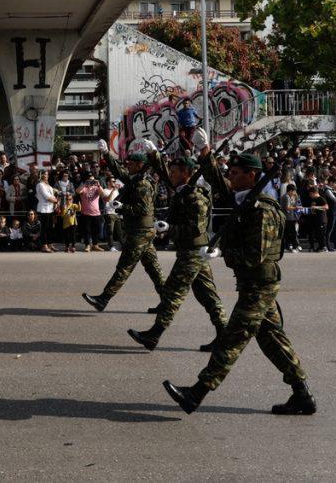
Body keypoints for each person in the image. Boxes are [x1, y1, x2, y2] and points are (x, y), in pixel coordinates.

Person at [163, 148, 315, 416]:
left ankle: (196, 393)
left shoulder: (262, 210)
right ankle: (302, 395)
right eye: (229, 173)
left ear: (252, 175)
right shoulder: (246, 202)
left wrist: (223, 254)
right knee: (273, 342)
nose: (230, 178)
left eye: (235, 173)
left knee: (231, 340)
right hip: (253, 285)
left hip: (259, 287)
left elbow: (253, 256)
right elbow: (221, 187)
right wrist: (207, 157)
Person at [129, 154, 227, 352]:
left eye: (175, 172)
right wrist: (154, 156)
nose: (171, 175)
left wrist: (169, 229)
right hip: (190, 250)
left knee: (172, 294)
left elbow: (196, 229)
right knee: (207, 295)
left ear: (186, 173)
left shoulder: (195, 196)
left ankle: (154, 334)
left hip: (193, 251)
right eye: (171, 171)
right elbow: (164, 175)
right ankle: (225, 335)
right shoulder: (183, 192)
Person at [82, 139, 164, 311]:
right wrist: (106, 154)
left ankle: (103, 299)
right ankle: (168, 302)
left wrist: (122, 207)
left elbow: (143, 208)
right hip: (142, 230)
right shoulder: (135, 179)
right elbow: (118, 170)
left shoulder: (142, 183)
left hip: (141, 230)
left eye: (132, 163)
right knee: (154, 270)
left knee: (124, 267)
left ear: (140, 164)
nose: (128, 166)